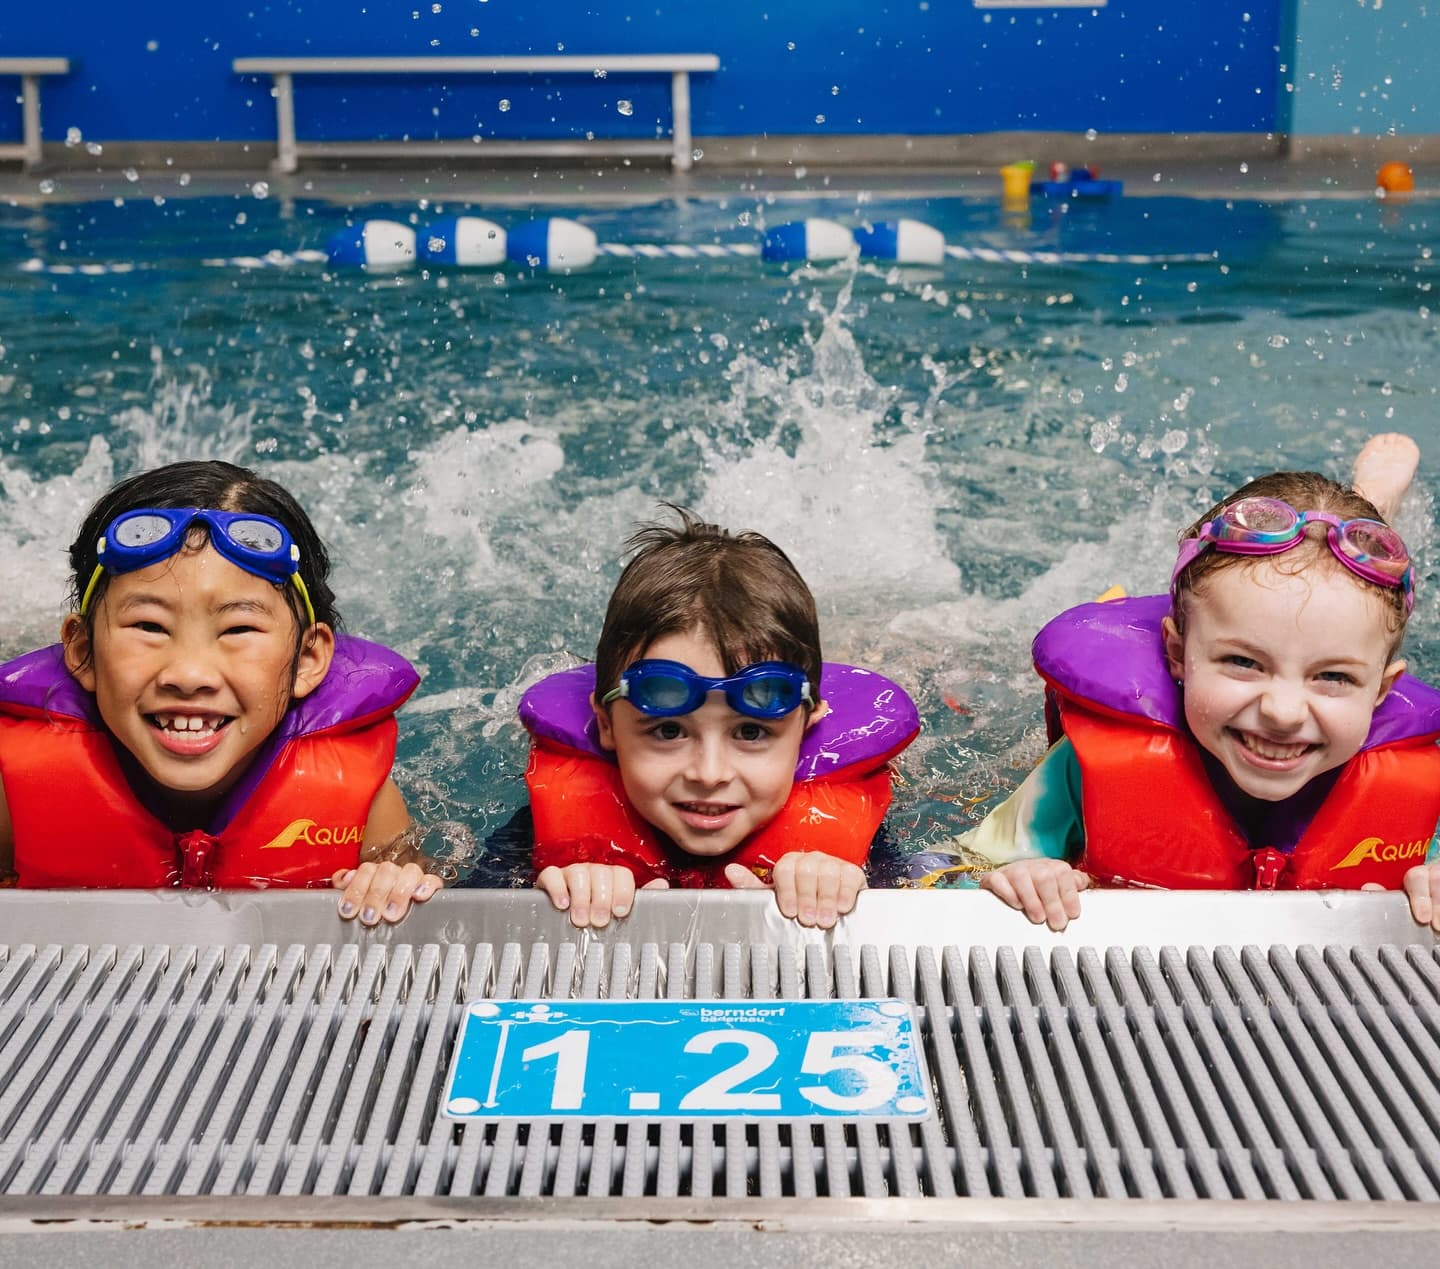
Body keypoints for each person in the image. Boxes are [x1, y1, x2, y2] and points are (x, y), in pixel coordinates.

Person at [938, 433, 1440, 932]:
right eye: (1244, 663)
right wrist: (1011, 878)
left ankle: (1371, 500)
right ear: (1178, 653)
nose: (1283, 712)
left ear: (1381, 690)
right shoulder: (1084, 770)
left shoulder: (1422, 787)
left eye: (1332, 676)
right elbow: (939, 875)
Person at [0, 460, 442, 925]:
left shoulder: (357, 793)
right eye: (150, 626)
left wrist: (395, 881)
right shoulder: (12, 786)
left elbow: (418, 877)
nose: (189, 674)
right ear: (84, 651)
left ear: (307, 660)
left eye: (237, 629)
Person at [521, 507, 919, 930]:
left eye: (751, 731)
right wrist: (557, 889)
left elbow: (945, 883)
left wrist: (847, 887)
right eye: (668, 730)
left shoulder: (856, 842)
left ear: (806, 726)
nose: (709, 774)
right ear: (606, 724)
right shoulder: (544, 824)